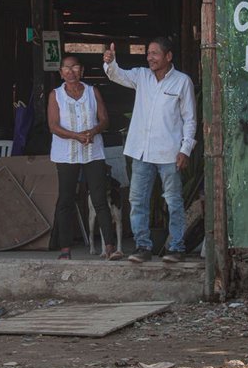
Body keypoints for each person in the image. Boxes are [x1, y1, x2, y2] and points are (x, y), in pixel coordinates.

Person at [102, 37, 196, 264]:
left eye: (155, 53)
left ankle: (176, 247)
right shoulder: (142, 76)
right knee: (137, 201)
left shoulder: (182, 82)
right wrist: (110, 62)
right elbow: (117, 75)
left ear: (168, 56)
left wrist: (185, 150)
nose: (150, 57)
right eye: (148, 53)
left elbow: (190, 119)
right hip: (141, 152)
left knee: (173, 201)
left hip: (169, 153)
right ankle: (143, 246)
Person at [48, 54, 121, 260]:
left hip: (93, 151)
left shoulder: (92, 91)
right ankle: (65, 250)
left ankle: (109, 246)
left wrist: (93, 131)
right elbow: (53, 125)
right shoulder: (56, 95)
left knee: (99, 199)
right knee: (66, 200)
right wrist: (76, 136)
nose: (71, 72)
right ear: (61, 72)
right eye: (66, 68)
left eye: (75, 67)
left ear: (82, 70)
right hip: (66, 154)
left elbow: (105, 119)